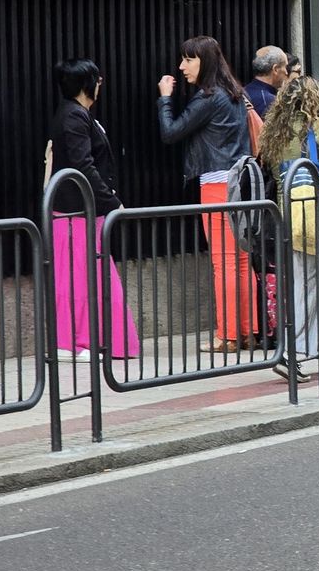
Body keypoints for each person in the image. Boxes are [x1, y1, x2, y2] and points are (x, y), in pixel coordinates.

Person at [157, 36, 256, 354]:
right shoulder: (235, 93)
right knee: (241, 260)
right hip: (240, 182)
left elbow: (170, 133)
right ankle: (248, 330)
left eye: (188, 59)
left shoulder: (208, 98)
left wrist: (165, 98)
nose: (182, 66)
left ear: (205, 62)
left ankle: (226, 335)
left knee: (223, 263)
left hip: (216, 186)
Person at [257, 77, 319, 381]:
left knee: (304, 282)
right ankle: (291, 353)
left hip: (284, 215)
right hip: (315, 214)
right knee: (309, 286)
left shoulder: (274, 131)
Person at [50, 58, 140, 362]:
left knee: (84, 274)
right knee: (81, 276)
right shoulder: (75, 117)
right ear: (87, 84)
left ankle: (84, 340)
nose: (101, 84)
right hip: (77, 210)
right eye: (97, 80)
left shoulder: (76, 114)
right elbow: (84, 166)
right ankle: (77, 341)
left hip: (79, 209)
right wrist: (112, 201)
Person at [245, 46, 288, 117]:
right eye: (285, 67)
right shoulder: (270, 101)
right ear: (275, 69)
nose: (286, 72)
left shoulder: (243, 92)